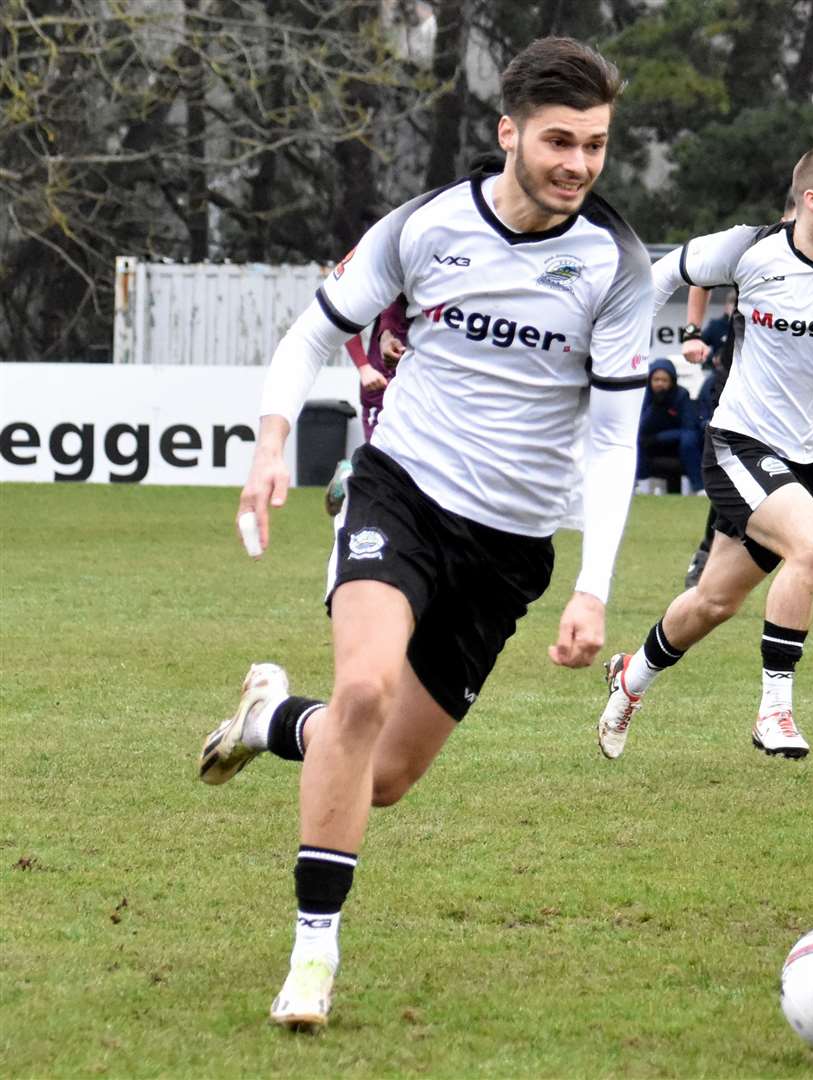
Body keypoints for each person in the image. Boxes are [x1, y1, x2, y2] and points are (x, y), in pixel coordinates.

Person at [196, 37, 652, 1031]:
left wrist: (592, 585)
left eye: (597, 145)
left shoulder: (616, 267)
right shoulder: (427, 225)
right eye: (560, 141)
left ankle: (270, 719)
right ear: (509, 133)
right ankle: (313, 958)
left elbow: (616, 440)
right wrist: (272, 441)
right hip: (397, 493)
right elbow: (312, 333)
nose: (579, 163)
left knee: (386, 775)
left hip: (509, 547)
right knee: (362, 690)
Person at [596, 146, 813, 761]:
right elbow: (667, 273)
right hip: (739, 442)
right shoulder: (750, 248)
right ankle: (773, 711)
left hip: (807, 456)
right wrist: (625, 349)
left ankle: (630, 678)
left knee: (715, 600)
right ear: (812, 200)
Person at [681, 189, 796, 586]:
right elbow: (698, 275)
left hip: (794, 396)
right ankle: (708, 551)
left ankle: (731, 554)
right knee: (733, 465)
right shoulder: (759, 245)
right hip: (739, 384)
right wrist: (693, 332)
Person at [324, 296, 408, 516]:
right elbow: (349, 320)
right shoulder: (391, 281)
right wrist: (364, 368)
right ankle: (350, 475)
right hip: (381, 386)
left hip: (421, 389)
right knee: (383, 466)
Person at [637, 357, 703, 494]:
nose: (660, 384)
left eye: (664, 380)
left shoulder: (682, 395)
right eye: (656, 380)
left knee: (689, 438)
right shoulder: (643, 395)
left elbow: (689, 427)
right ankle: (639, 484)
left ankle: (698, 487)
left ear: (672, 381)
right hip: (650, 445)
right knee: (636, 439)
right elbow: (640, 427)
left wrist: (659, 437)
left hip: (676, 445)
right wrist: (655, 406)